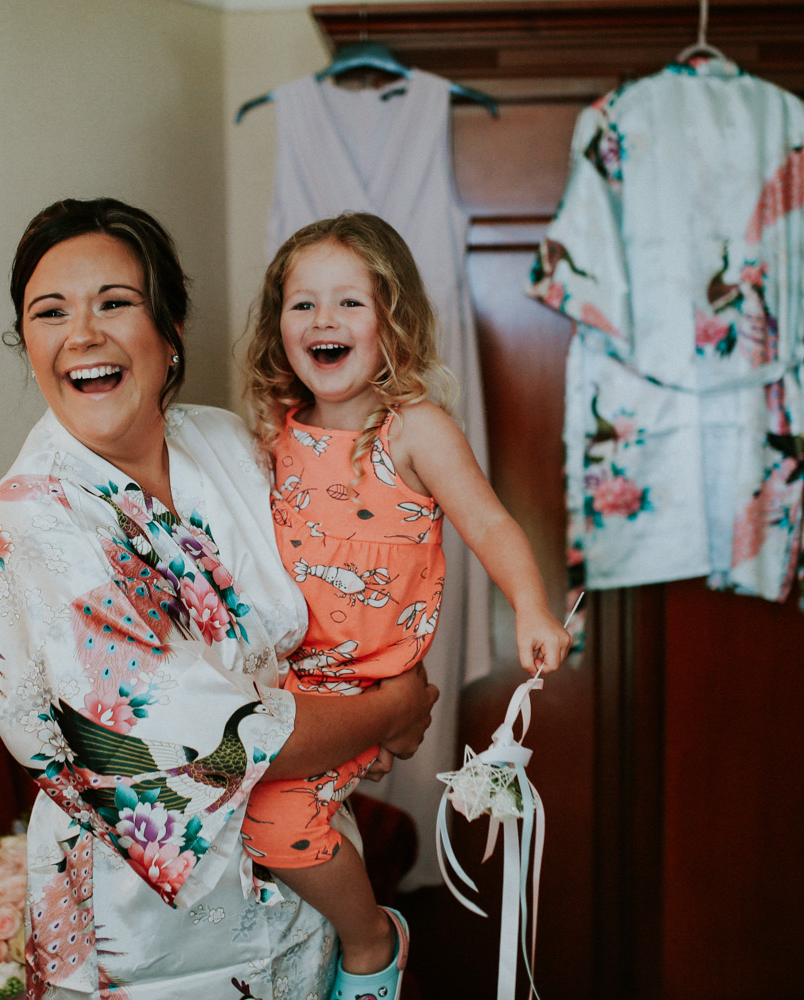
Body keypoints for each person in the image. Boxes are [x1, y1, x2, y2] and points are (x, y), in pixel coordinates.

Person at [0, 198, 439, 1000]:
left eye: (114, 303)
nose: (82, 333)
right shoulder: (33, 520)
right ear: (31, 344)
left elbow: (345, 567)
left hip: (300, 888)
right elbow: (205, 739)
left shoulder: (224, 443)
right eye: (50, 313)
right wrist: (391, 709)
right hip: (147, 944)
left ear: (170, 330)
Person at [239, 212, 574, 1000]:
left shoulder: (413, 432)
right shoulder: (269, 441)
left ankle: (371, 943)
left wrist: (531, 606)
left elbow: (489, 521)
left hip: (363, 688)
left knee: (275, 821)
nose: (325, 320)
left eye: (351, 303)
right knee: (245, 812)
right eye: (303, 304)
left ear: (395, 321)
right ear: (277, 327)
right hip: (285, 689)